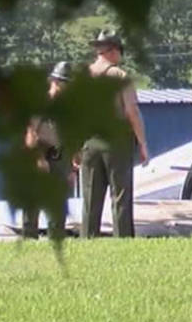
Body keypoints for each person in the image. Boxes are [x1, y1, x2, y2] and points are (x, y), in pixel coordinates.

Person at [81, 29, 150, 238]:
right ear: (113, 51)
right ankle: (123, 240)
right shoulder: (120, 76)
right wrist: (142, 142)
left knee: (90, 197)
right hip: (116, 141)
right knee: (120, 195)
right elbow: (132, 111)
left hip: (89, 141)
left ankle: (87, 239)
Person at [22, 61, 74, 239]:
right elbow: (31, 132)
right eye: (63, 83)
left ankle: (56, 237)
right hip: (41, 155)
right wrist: (38, 159)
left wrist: (72, 166)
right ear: (55, 81)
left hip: (61, 157)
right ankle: (29, 237)